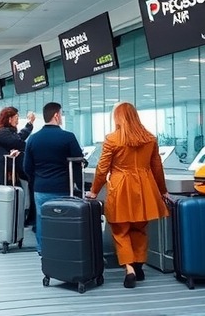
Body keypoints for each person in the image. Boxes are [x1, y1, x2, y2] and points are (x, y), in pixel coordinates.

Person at [86, 102, 170, 289]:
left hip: (121, 188)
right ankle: (139, 265)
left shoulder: (112, 139)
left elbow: (102, 169)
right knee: (140, 229)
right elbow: (157, 167)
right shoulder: (150, 138)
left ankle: (130, 269)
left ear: (117, 117)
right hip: (144, 189)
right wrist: (163, 190)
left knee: (120, 230)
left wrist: (94, 190)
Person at [23, 102, 83, 255]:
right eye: (61, 114)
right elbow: (78, 163)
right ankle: (62, 251)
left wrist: (37, 179)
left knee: (42, 219)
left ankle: (43, 250)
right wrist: (79, 186)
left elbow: (27, 167)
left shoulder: (33, 139)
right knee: (63, 220)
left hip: (40, 188)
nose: (61, 117)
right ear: (56, 115)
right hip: (62, 188)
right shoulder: (68, 137)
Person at [0, 107, 35, 188]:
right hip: (2, 174)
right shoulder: (2, 132)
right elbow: (17, 142)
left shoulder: (2, 131)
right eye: (16, 118)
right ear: (9, 119)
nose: (17, 122)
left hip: (4, 172)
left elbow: (18, 137)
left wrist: (29, 124)